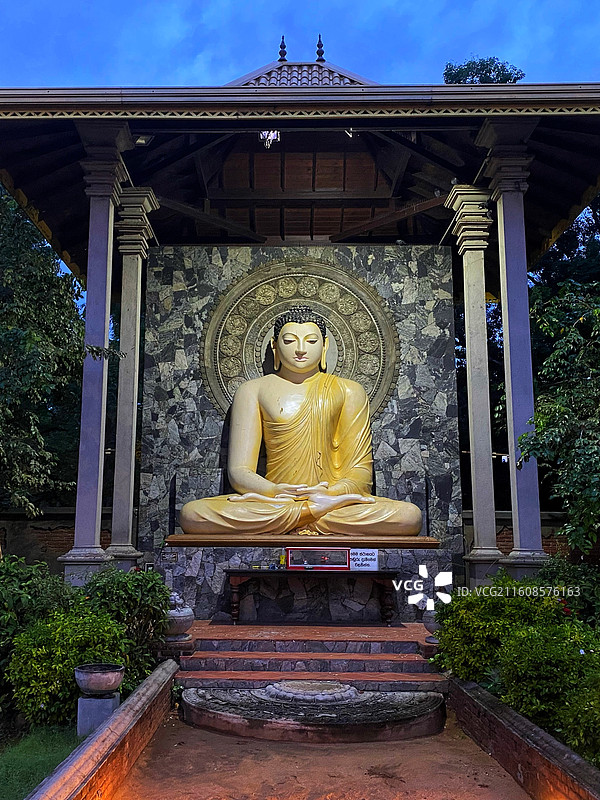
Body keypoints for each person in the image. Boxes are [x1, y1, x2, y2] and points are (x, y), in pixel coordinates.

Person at [179, 305, 422, 537]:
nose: (301, 349)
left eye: (312, 341)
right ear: (275, 347)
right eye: (289, 340)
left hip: (333, 502)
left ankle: (305, 515)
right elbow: (239, 471)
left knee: (408, 517)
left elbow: (360, 471)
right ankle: (311, 515)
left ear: (325, 346)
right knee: (193, 514)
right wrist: (273, 491)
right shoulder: (252, 390)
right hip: (276, 501)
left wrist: (332, 494)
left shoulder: (349, 391)